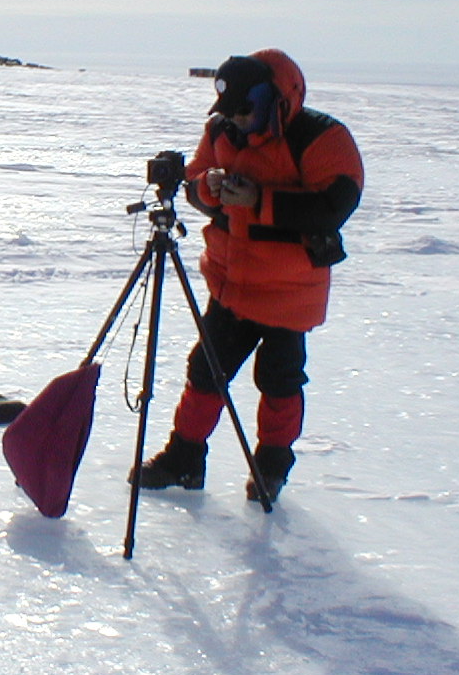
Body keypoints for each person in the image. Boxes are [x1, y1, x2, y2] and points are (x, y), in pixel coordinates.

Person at [135, 49, 363, 501]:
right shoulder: (221, 130)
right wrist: (207, 189)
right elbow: (196, 179)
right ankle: (184, 459)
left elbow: (335, 205)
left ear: (275, 100)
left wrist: (260, 201)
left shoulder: (320, 137)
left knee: (279, 382)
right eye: (230, 111)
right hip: (231, 284)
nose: (237, 120)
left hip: (288, 292)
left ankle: (271, 470)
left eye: (245, 110)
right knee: (205, 372)